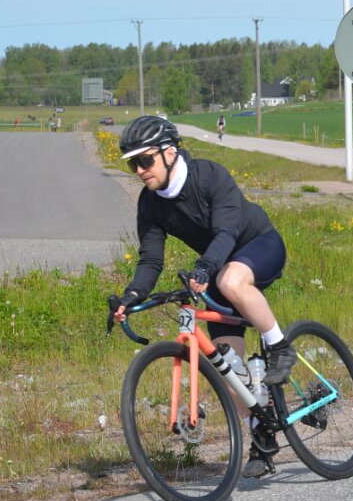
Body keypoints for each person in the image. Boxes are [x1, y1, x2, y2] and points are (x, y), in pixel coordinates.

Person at [109, 115, 295, 477]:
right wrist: (131, 296)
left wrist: (205, 267)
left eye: (145, 160)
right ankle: (261, 434)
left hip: (259, 245)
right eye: (133, 164)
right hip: (218, 268)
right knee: (228, 365)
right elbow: (151, 259)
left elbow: (227, 232)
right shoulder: (150, 204)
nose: (140, 170)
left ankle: (280, 346)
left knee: (230, 280)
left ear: (169, 152)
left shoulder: (209, 175)